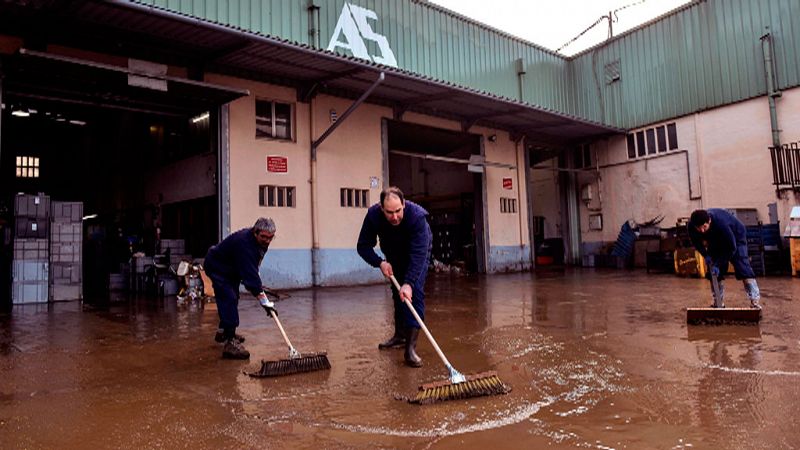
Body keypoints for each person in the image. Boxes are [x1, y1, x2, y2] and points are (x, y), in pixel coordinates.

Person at [357, 186, 432, 367]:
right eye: (389, 212)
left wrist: (409, 283)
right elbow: (363, 246)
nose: (395, 216)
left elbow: (419, 254)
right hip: (393, 253)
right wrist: (380, 262)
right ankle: (399, 336)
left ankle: (410, 349)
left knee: (414, 294)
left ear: (404, 204)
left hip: (416, 254)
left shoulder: (417, 218)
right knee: (397, 293)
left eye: (398, 211)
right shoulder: (374, 216)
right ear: (381, 208)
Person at [203, 217, 277, 359]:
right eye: (264, 237)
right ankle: (230, 343)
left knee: (234, 296)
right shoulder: (244, 243)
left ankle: (223, 331)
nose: (267, 241)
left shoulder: (260, 242)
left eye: (270, 238)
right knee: (228, 298)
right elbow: (251, 277)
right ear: (255, 232)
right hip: (217, 266)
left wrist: (254, 279)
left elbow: (253, 267)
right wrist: (265, 302)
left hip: (232, 268)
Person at [688, 209, 761, 309]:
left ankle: (755, 302)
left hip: (735, 237)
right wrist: (706, 255)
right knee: (713, 273)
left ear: (709, 221)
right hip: (714, 239)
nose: (702, 231)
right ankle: (718, 302)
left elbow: (732, 248)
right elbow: (697, 243)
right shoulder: (692, 226)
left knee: (743, 268)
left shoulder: (721, 223)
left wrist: (718, 263)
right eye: (699, 228)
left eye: (704, 227)